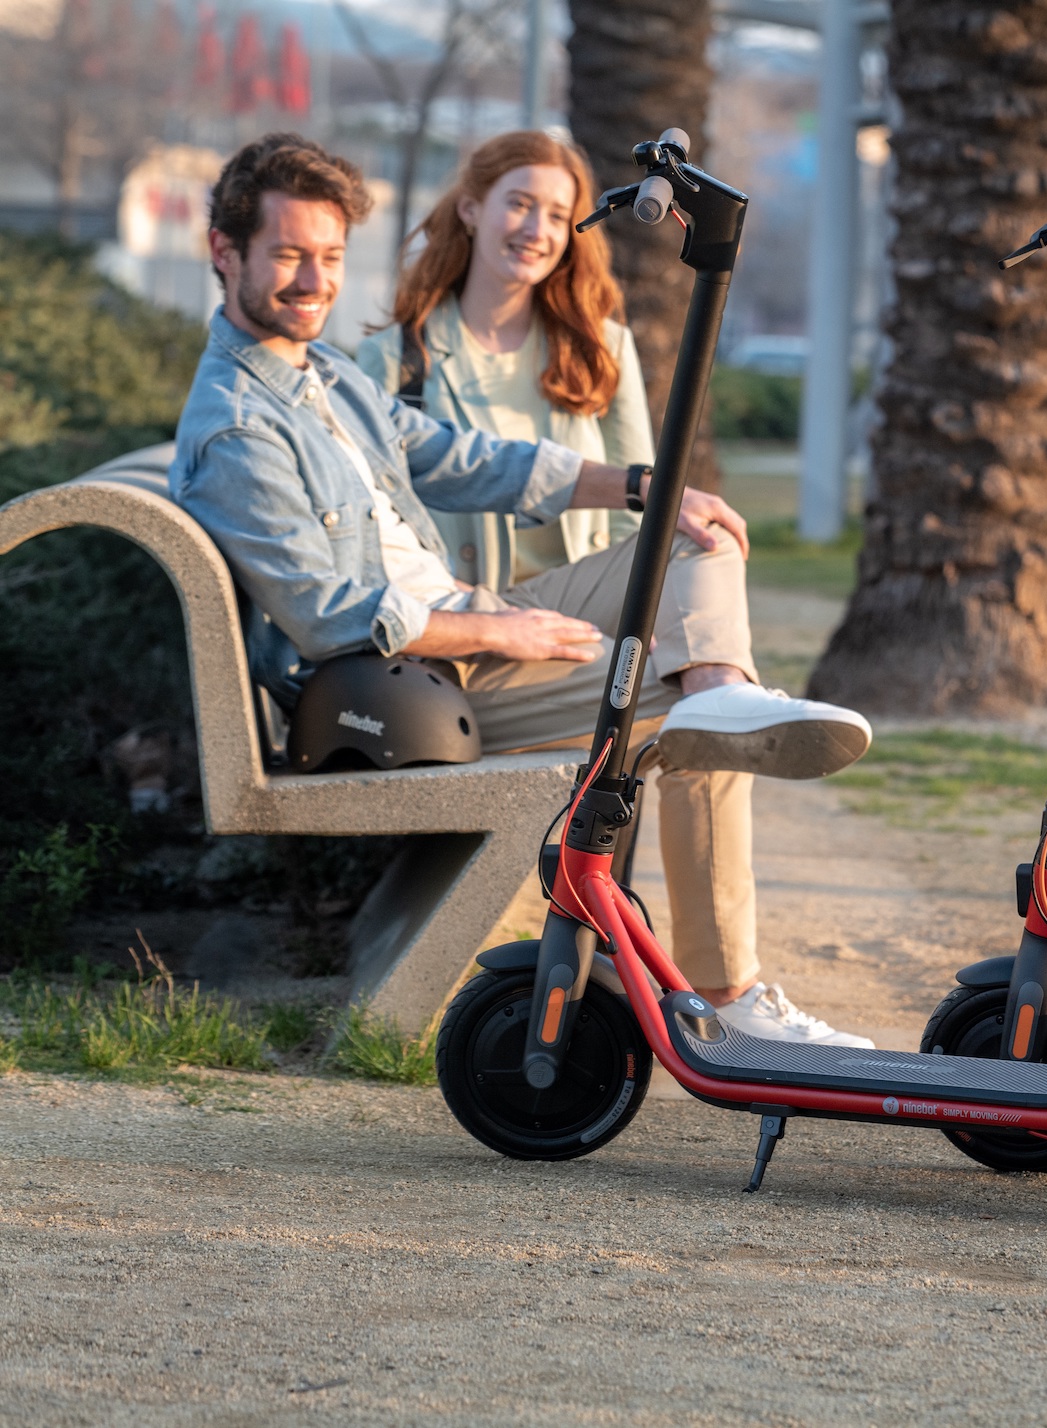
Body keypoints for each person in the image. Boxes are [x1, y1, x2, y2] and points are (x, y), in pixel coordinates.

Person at [173, 132, 875, 1047]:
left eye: (331, 258)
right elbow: (332, 616)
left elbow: (456, 458)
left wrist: (639, 486)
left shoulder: (324, 376)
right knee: (680, 714)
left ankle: (720, 691)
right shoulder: (237, 428)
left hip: (466, 639)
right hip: (411, 695)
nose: (315, 281)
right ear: (224, 254)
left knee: (688, 536)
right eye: (290, 257)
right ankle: (729, 995)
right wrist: (506, 634)